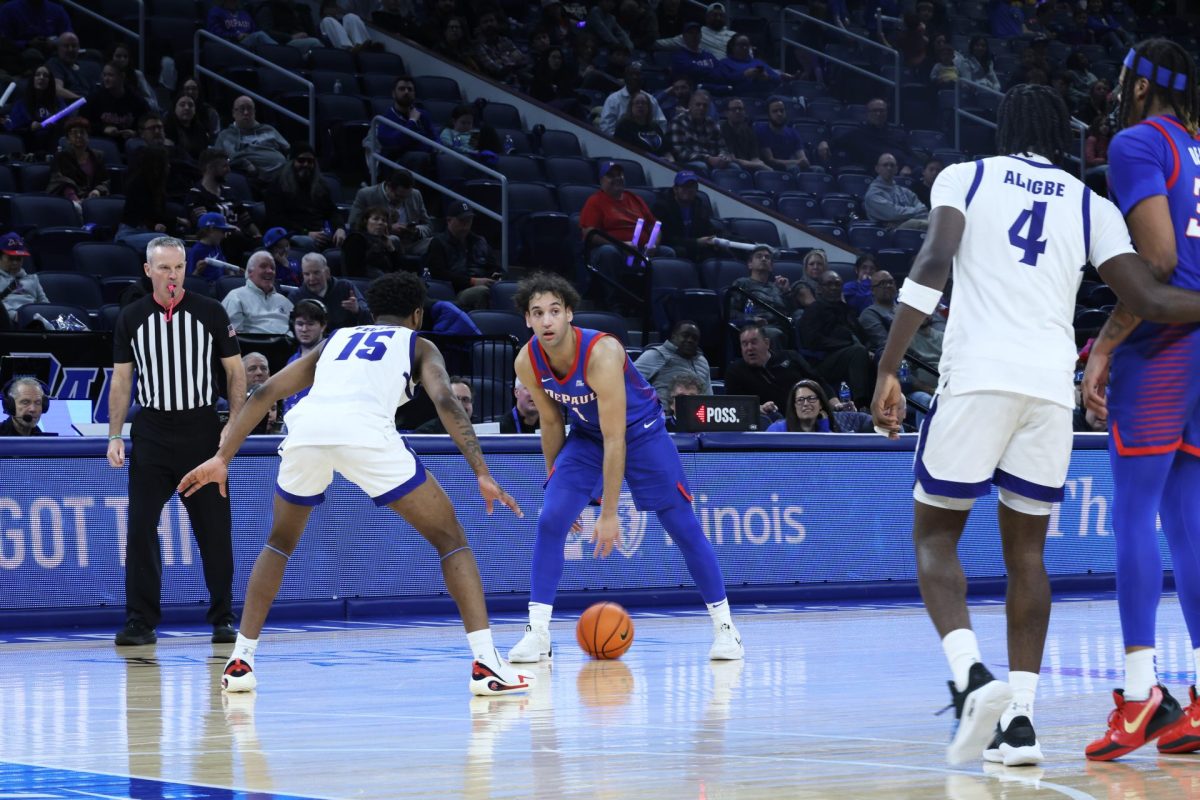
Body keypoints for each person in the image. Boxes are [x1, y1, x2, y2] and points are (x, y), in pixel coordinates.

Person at [869, 82, 1200, 769]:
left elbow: (932, 263)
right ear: (1060, 136)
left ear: (1003, 125)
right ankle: (1019, 724)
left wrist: (889, 366)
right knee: (1028, 559)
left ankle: (970, 677)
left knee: (935, 535)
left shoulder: (968, 175)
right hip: (1049, 393)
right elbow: (1147, 297)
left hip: (979, 378)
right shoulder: (1092, 204)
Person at [177, 271, 533, 697]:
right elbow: (444, 400)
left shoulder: (336, 340)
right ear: (417, 314)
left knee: (278, 543)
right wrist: (481, 471)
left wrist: (222, 457)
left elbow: (264, 393)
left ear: (372, 309)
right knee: (451, 540)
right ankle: (487, 664)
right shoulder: (418, 344)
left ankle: (241, 661)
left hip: (306, 430)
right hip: (366, 434)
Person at [506, 272, 743, 663]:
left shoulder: (602, 353)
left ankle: (726, 629)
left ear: (568, 314)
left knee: (682, 525)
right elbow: (550, 423)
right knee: (550, 519)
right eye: (537, 313)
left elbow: (616, 437)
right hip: (586, 435)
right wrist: (557, 486)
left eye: (554, 311)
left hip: (640, 432)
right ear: (527, 321)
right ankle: (538, 633)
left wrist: (610, 512)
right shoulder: (526, 361)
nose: (546, 321)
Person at [1080, 39, 1200, 761]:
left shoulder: (1135, 142)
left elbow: (1155, 263)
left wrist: (1105, 344)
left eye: (1125, 75)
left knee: (1133, 515)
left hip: (1166, 346)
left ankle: (1138, 692)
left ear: (1143, 85)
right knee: (1189, 522)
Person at [107, 236, 247, 647]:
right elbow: (121, 379)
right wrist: (115, 434)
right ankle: (140, 621)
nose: (173, 275)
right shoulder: (131, 317)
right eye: (164, 268)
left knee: (214, 530)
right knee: (140, 529)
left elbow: (236, 372)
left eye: (179, 267)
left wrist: (233, 425)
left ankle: (223, 616)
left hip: (202, 433)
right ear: (148, 270)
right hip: (151, 433)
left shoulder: (210, 312)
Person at [263, 141, 345, 252]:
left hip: (320, 233)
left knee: (348, 239)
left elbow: (332, 211)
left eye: (310, 161)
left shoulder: (320, 186)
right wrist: (306, 233)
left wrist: (339, 228)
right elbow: (277, 220)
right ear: (292, 162)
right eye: (301, 160)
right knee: (309, 243)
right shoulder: (277, 186)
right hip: (293, 234)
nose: (306, 164)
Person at [725, 322, 821, 416]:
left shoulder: (791, 357)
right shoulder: (735, 371)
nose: (749, 348)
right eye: (744, 344)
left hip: (804, 417)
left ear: (767, 343)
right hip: (765, 426)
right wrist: (757, 408)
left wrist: (833, 400)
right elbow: (733, 407)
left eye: (754, 342)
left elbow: (818, 382)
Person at [426, 202, 499, 311]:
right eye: (462, 221)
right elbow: (439, 274)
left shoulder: (479, 241)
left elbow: (495, 267)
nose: (466, 225)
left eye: (469, 221)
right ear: (449, 220)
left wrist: (497, 276)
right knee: (482, 291)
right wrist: (472, 281)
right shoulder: (438, 243)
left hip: (485, 284)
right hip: (458, 290)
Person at [348, 168, 433, 256]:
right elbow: (354, 225)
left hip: (411, 244)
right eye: (399, 196)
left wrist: (417, 231)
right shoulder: (366, 195)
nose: (402, 200)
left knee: (437, 243)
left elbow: (428, 226)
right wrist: (388, 228)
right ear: (389, 187)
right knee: (394, 239)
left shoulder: (415, 195)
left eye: (406, 197)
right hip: (382, 242)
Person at [633, 319, 711, 407]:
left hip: (697, 417)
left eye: (694, 338)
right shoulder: (655, 355)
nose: (690, 340)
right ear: (673, 336)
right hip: (663, 417)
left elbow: (709, 397)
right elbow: (628, 383)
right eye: (685, 335)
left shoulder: (702, 362)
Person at [215, 96, 290, 183]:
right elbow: (216, 160)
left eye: (249, 109)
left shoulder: (268, 129)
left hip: (281, 177)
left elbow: (288, 149)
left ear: (254, 112)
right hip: (249, 178)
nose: (246, 112)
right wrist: (245, 164)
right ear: (233, 113)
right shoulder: (225, 135)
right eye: (242, 109)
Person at [650, 171, 718, 263]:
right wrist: (696, 242)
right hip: (673, 246)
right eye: (684, 186)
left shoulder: (698, 205)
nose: (689, 190)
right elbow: (667, 238)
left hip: (693, 246)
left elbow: (708, 228)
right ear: (675, 189)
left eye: (692, 187)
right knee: (682, 251)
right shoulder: (662, 207)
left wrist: (716, 238)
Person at [293, 252, 370, 332]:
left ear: (327, 272)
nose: (311, 278)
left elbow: (370, 316)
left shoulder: (345, 287)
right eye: (307, 274)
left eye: (316, 273)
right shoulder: (296, 296)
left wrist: (357, 310)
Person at [46, 116, 110, 211]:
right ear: (68, 138)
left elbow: (105, 180)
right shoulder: (61, 157)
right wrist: (74, 198)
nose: (79, 135)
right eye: (74, 133)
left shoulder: (98, 156)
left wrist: (97, 191)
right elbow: (60, 181)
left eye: (82, 132)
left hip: (93, 198)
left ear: (88, 136)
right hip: (68, 200)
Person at [222, 251, 294, 335]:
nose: (270, 271)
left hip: (289, 345)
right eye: (263, 266)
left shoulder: (284, 300)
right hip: (254, 346)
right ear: (250, 272)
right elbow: (230, 334)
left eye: (272, 268)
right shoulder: (235, 297)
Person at [766, 379, 871, 432]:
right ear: (794, 406)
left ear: (821, 404)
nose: (806, 404)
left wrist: (825, 423)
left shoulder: (826, 426)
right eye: (800, 400)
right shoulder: (777, 429)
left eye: (811, 399)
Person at [281, 297, 327, 416]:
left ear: (323, 326)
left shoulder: (330, 357)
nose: (304, 329)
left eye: (310, 324)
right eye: (300, 324)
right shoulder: (292, 360)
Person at [599, 62, 666, 136]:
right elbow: (606, 128)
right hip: (619, 143)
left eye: (638, 74)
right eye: (631, 74)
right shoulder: (613, 99)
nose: (635, 77)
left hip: (646, 143)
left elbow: (661, 123)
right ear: (625, 77)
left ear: (643, 78)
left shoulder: (650, 99)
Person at [864, 152, 929, 230]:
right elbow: (893, 213)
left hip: (908, 230)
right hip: (887, 234)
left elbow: (923, 209)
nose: (889, 168)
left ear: (896, 169)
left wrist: (900, 219)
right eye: (885, 165)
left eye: (892, 165)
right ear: (877, 169)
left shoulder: (905, 191)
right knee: (931, 225)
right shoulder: (872, 194)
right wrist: (915, 212)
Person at [343, 205, 405, 278]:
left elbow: (398, 270)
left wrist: (390, 248)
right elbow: (355, 272)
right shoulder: (356, 239)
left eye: (384, 220)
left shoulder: (385, 241)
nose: (380, 223)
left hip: (387, 282)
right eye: (376, 219)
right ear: (365, 221)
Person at [0, 232, 46, 326]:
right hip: (7, 324)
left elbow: (45, 304)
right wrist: (17, 315)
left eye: (18, 259)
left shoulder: (33, 279)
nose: (15, 263)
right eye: (11, 258)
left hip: (34, 322)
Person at [188, 212, 240, 283]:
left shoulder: (216, 246)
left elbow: (226, 269)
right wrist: (198, 271)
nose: (224, 236)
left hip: (220, 286)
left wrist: (234, 277)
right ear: (211, 230)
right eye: (223, 232)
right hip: (207, 289)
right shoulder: (196, 251)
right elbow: (190, 282)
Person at [719, 97, 768, 173]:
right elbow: (732, 159)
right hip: (732, 168)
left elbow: (755, 158)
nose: (738, 112)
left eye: (740, 109)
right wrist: (760, 166)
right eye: (734, 109)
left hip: (749, 166)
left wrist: (760, 165)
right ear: (726, 113)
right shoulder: (722, 130)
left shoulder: (749, 131)